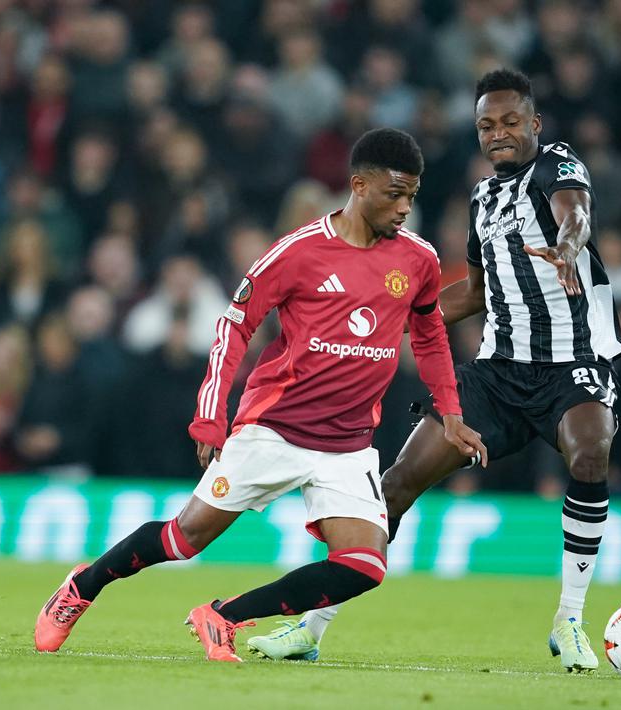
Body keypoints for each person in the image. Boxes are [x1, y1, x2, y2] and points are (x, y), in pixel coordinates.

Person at [33, 128, 487, 662]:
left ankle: (223, 615)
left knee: (365, 565)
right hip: (274, 430)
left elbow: (429, 335)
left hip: (347, 444)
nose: (405, 207)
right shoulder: (297, 252)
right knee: (183, 539)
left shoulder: (418, 259)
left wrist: (450, 412)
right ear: (359, 186)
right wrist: (210, 415)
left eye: (412, 195)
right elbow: (234, 327)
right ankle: (82, 586)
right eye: (395, 194)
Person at [250, 68, 621, 673]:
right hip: (498, 373)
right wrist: (390, 316)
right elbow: (474, 292)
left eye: (510, 122)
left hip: (574, 362)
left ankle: (570, 620)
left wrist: (567, 246)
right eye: (486, 125)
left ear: (534, 123)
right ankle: (311, 629)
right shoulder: (483, 199)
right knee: (396, 484)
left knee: (590, 453)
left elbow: (575, 212)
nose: (498, 133)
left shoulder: (558, 165)